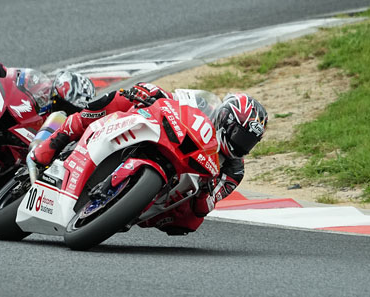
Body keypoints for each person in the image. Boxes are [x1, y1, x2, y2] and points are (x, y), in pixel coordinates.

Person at [29, 82, 268, 235]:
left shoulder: (234, 170)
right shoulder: (204, 106)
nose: (241, 145)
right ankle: (56, 140)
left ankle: (127, 209)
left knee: (190, 222)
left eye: (249, 142)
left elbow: (208, 204)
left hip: (177, 189)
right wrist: (150, 92)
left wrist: (208, 188)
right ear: (226, 119)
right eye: (240, 136)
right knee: (121, 98)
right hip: (165, 138)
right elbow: (175, 99)